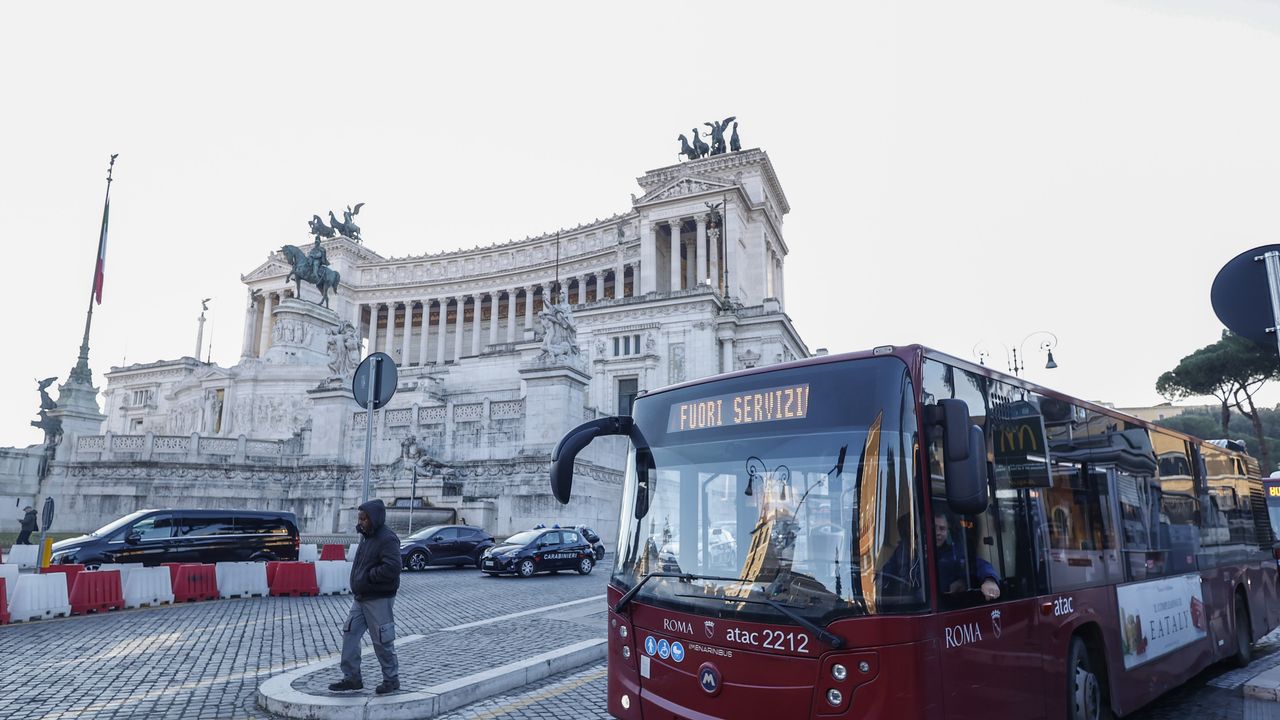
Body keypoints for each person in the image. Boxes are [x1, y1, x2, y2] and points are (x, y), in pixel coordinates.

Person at [330, 500, 402, 694]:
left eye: (363, 518)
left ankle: (391, 679)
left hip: (378, 598)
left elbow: (394, 567)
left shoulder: (387, 538)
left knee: (382, 640)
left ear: (374, 518)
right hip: (361, 598)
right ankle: (351, 677)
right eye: (359, 518)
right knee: (350, 633)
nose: (360, 522)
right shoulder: (367, 537)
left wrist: (369, 577)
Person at [934, 513, 1001, 601]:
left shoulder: (955, 553)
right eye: (934, 528)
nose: (938, 532)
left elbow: (978, 564)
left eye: (942, 529)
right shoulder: (915, 555)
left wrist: (989, 580)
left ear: (948, 531)